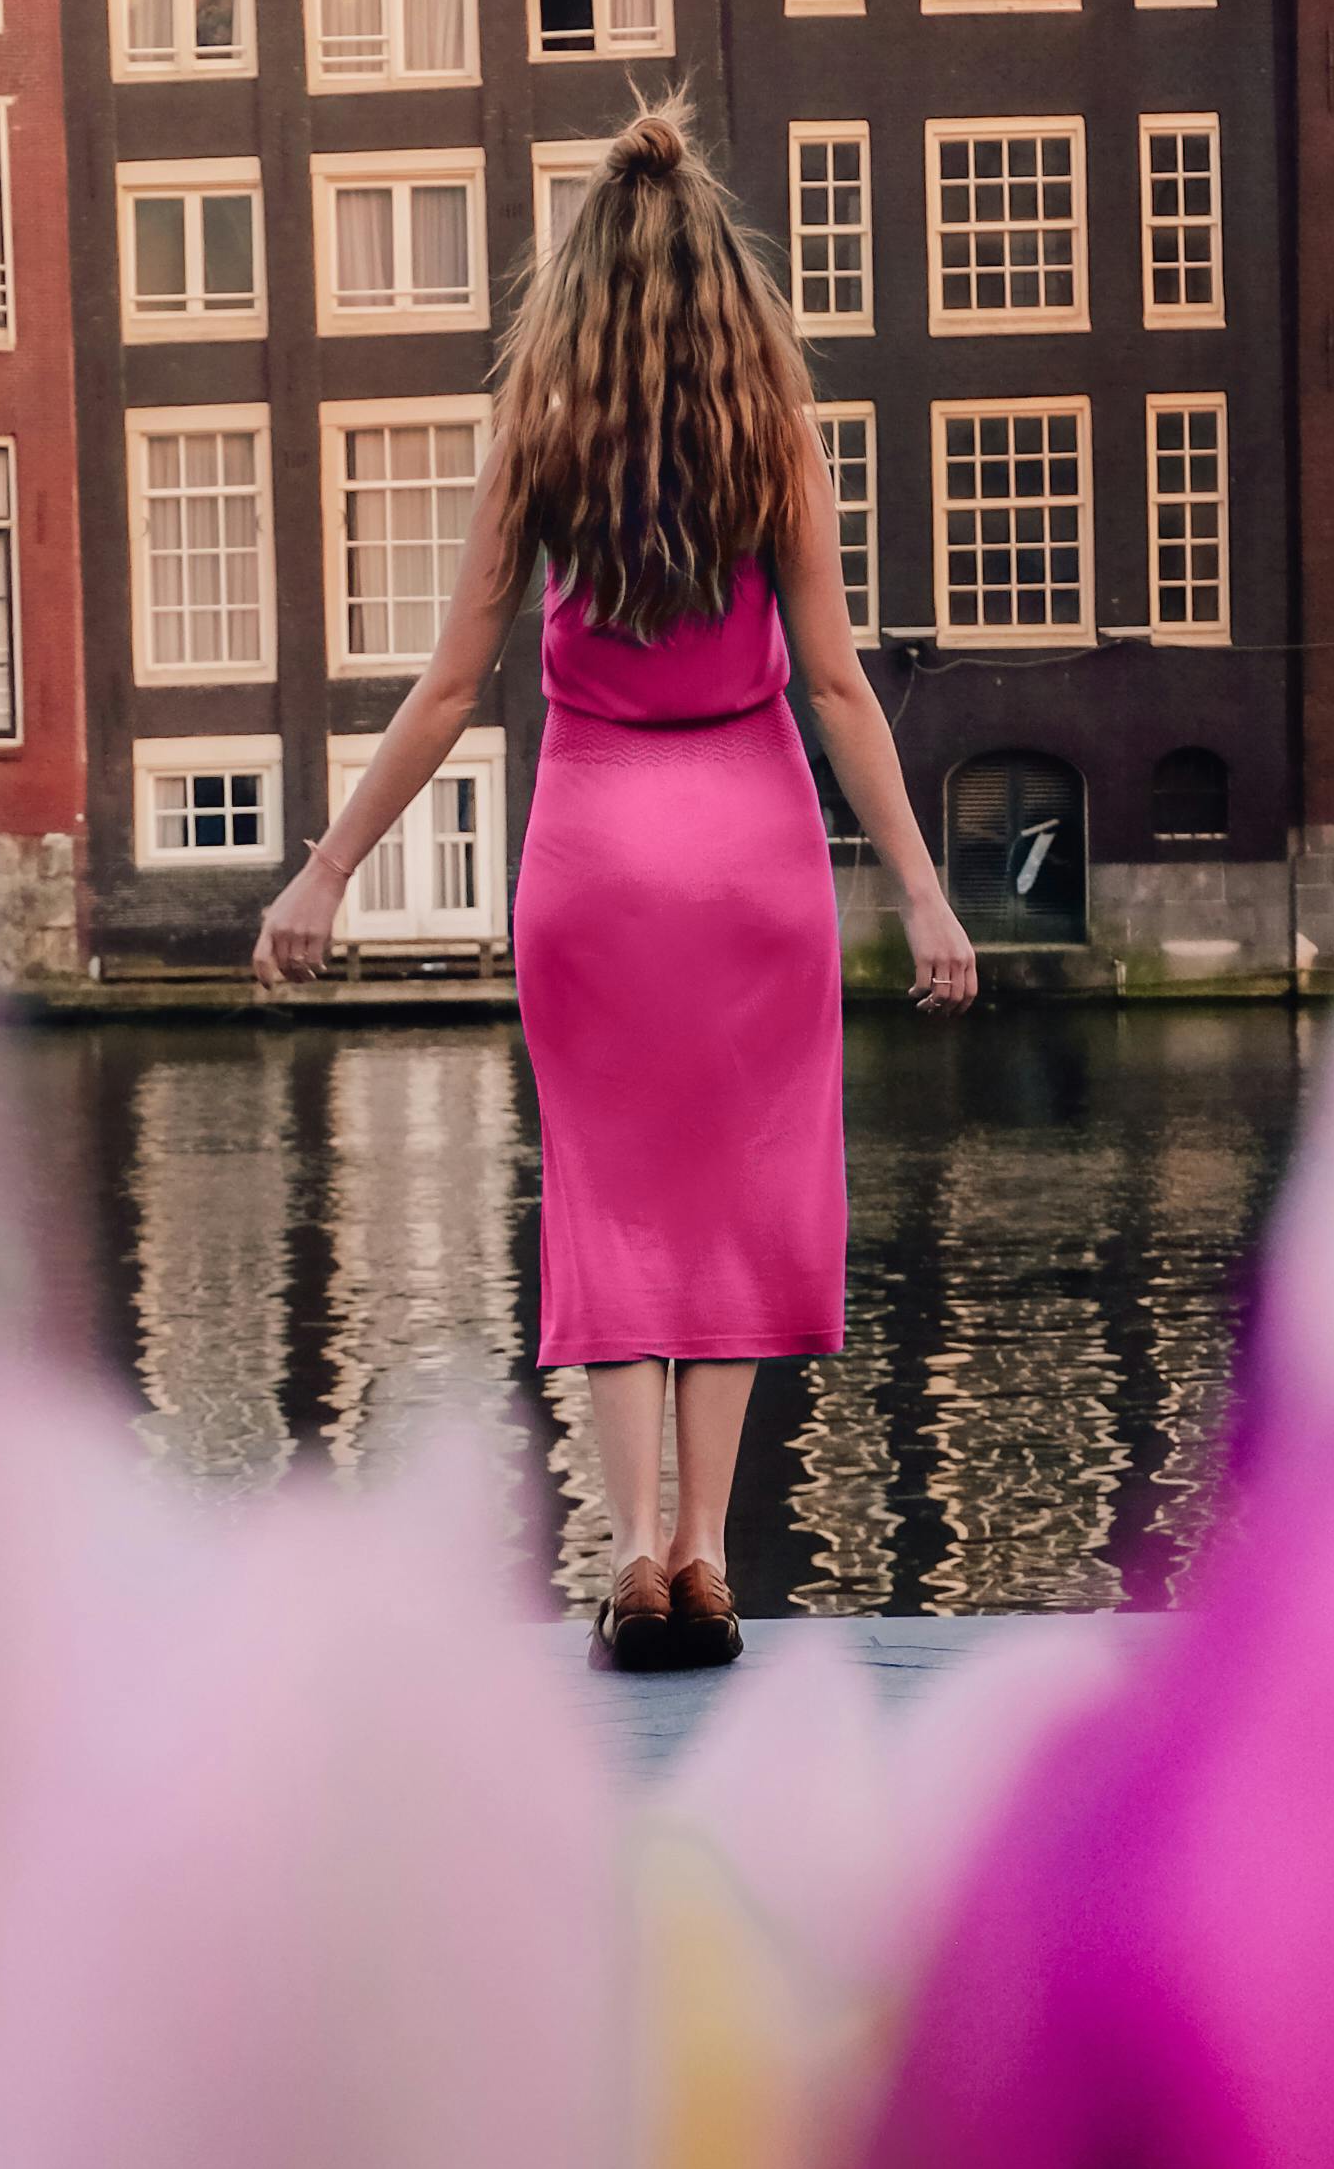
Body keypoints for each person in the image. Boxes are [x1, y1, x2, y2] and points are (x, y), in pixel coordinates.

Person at [256, 99, 975, 1666]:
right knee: (737, 1201)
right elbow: (840, 685)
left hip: (592, 861)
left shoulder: (539, 429)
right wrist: (921, 890)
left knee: (614, 1206)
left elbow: (450, 686)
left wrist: (323, 875)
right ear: (729, 281)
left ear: (576, 280)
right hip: (754, 860)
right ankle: (713, 1556)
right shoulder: (774, 430)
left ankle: (633, 1550)